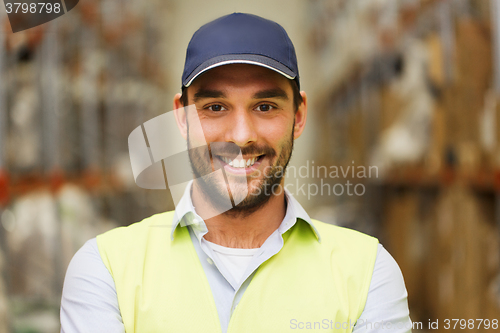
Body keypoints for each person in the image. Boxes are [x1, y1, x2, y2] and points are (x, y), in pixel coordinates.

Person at [60, 13, 412, 333]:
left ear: (299, 115)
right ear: (181, 118)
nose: (241, 135)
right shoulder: (105, 270)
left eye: (265, 106)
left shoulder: (368, 274)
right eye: (215, 107)